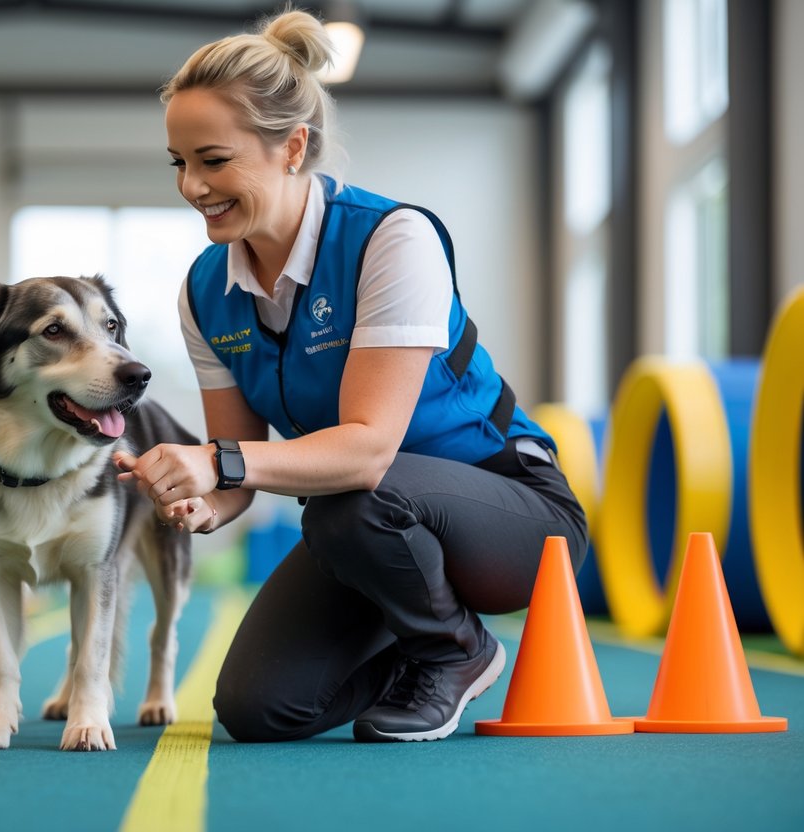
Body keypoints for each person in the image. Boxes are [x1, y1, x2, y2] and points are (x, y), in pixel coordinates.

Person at [113, 8, 587, 744]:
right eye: (178, 163)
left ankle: (456, 651)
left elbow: (364, 452)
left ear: (292, 146)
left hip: (516, 519)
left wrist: (214, 463)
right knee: (259, 709)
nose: (191, 186)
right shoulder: (204, 291)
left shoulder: (392, 239)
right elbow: (237, 472)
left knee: (349, 500)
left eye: (212, 159)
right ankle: (419, 639)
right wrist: (202, 504)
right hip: (374, 528)